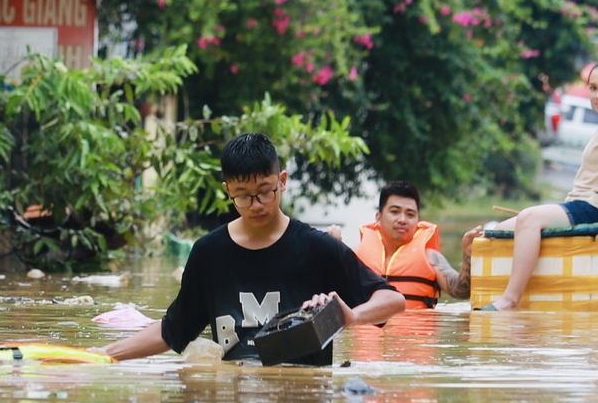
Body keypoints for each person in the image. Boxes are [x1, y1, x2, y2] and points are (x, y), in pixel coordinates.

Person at [104, 134, 406, 366]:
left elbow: (392, 299)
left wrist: (351, 316)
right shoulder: (209, 254)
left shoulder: (317, 247)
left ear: (282, 181)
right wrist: (102, 355)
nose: (257, 204)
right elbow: (172, 331)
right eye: (243, 196)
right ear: (227, 191)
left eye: (265, 191)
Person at [472, 58, 598, 312]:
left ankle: (510, 299)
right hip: (584, 204)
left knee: (528, 218)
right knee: (494, 232)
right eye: (593, 88)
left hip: (594, 207)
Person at [352, 182, 466, 308]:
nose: (402, 220)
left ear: (417, 220)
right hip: (366, 327)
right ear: (378, 218)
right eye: (395, 212)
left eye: (410, 214)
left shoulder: (431, 258)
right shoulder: (354, 257)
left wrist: (469, 256)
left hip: (414, 327)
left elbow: (461, 292)